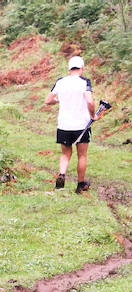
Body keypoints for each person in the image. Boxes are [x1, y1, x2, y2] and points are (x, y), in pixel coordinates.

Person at [45, 55, 100, 193]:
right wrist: (93, 115)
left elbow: (48, 100)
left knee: (65, 153)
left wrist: (59, 100)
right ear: (82, 68)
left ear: (69, 68)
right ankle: (80, 184)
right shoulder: (84, 82)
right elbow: (89, 101)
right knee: (81, 155)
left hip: (64, 124)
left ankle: (62, 174)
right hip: (81, 125)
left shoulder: (60, 81)